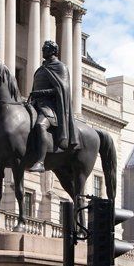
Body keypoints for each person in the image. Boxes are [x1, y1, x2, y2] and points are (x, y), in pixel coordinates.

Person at [28, 40, 78, 173]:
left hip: (50, 108)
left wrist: (41, 93)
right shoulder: (42, 68)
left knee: (40, 125)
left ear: (53, 50)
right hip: (35, 104)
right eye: (43, 48)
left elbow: (62, 90)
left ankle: (40, 162)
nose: (42, 50)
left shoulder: (60, 67)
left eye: (45, 48)